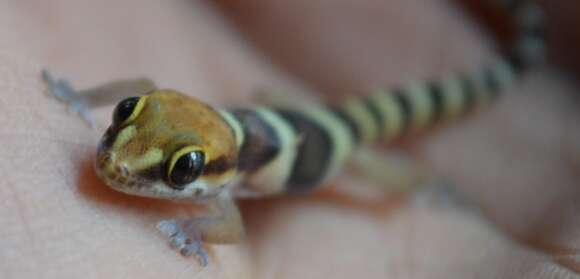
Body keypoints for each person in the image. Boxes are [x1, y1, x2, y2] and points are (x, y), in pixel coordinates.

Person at [1, 1, 579, 278]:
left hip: (339, 138)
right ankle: (520, 49)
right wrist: (83, 98)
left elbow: (229, 224)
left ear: (214, 175)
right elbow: (147, 87)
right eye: (126, 114)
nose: (114, 163)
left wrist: (192, 227)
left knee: (384, 176)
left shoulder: (221, 195)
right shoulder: (164, 120)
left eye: (182, 169)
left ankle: (445, 163)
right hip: (284, 120)